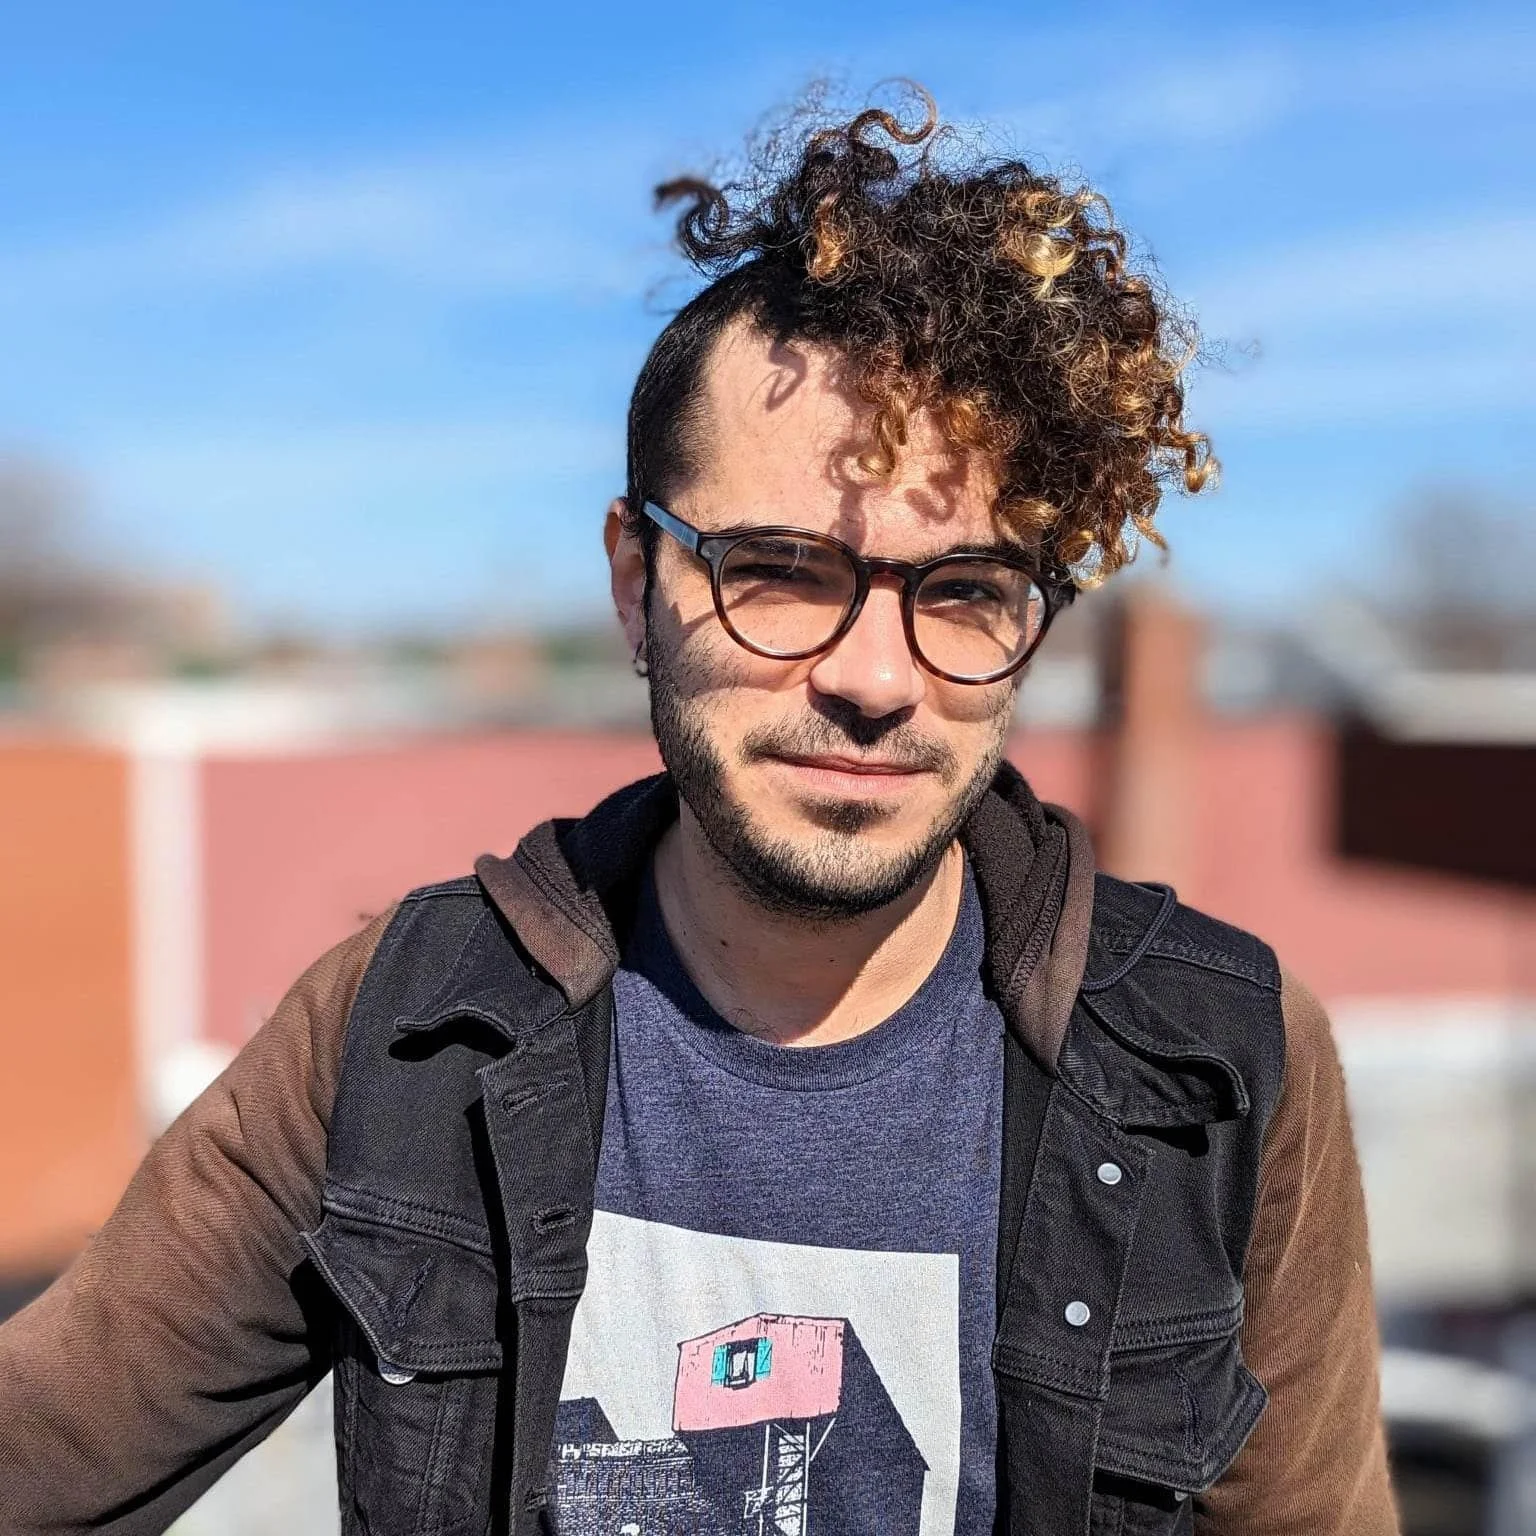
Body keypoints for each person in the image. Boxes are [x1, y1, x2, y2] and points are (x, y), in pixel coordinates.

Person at [0, 90, 1397, 1536]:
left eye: (965, 591)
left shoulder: (1220, 1061)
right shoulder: (408, 1027)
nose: (873, 680)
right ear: (634, 583)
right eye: (780, 570)